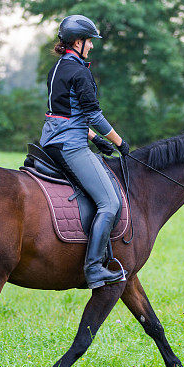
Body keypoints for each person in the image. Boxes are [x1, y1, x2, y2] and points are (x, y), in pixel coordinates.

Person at [40, 14, 130, 289]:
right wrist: (119, 142)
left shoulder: (56, 69)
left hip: (49, 142)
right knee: (110, 203)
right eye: (89, 41)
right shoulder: (80, 72)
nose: (91, 46)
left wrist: (93, 139)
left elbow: (64, 114)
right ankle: (94, 269)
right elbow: (94, 115)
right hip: (70, 147)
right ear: (78, 42)